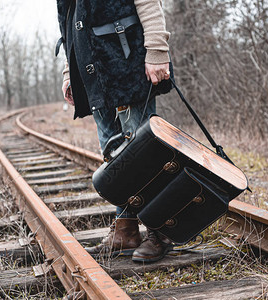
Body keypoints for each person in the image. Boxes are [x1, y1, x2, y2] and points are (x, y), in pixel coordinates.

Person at [56, 0, 173, 262]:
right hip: (96, 78)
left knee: (143, 153)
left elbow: (148, 2)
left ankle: (160, 230)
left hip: (126, 66)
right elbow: (71, 25)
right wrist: (69, 72)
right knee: (115, 158)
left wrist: (157, 50)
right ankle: (126, 230)